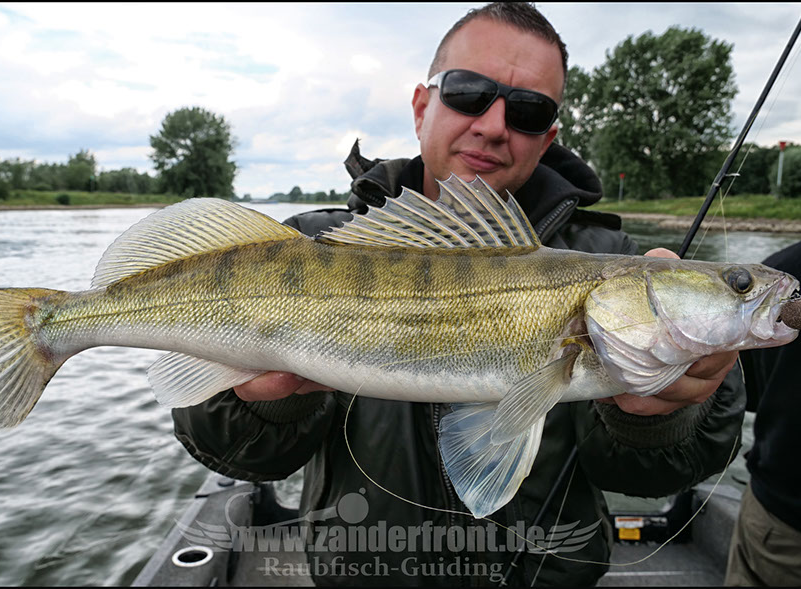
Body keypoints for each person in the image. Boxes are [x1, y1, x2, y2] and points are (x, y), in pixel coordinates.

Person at [172, 3, 744, 586]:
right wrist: (266, 402)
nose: (494, 125)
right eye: (468, 92)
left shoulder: (617, 260)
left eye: (528, 110)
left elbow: (654, 476)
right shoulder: (310, 248)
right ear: (423, 106)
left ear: (547, 138)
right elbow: (231, 451)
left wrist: (662, 416)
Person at [725, 229, 801, 587]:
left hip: (783, 527)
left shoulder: (787, 265)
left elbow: (744, 393)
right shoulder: (782, 275)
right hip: (789, 522)